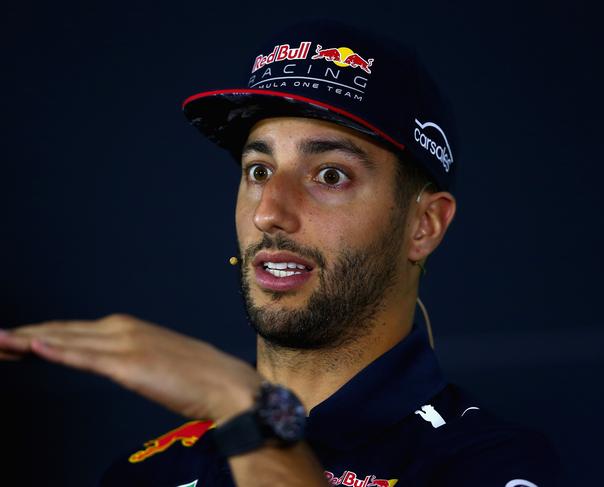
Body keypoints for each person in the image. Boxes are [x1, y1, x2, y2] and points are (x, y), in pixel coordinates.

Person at [0, 20, 560, 487]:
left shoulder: (489, 464)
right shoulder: (150, 474)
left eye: (330, 174)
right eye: (258, 170)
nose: (270, 211)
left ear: (424, 225)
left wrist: (247, 415)